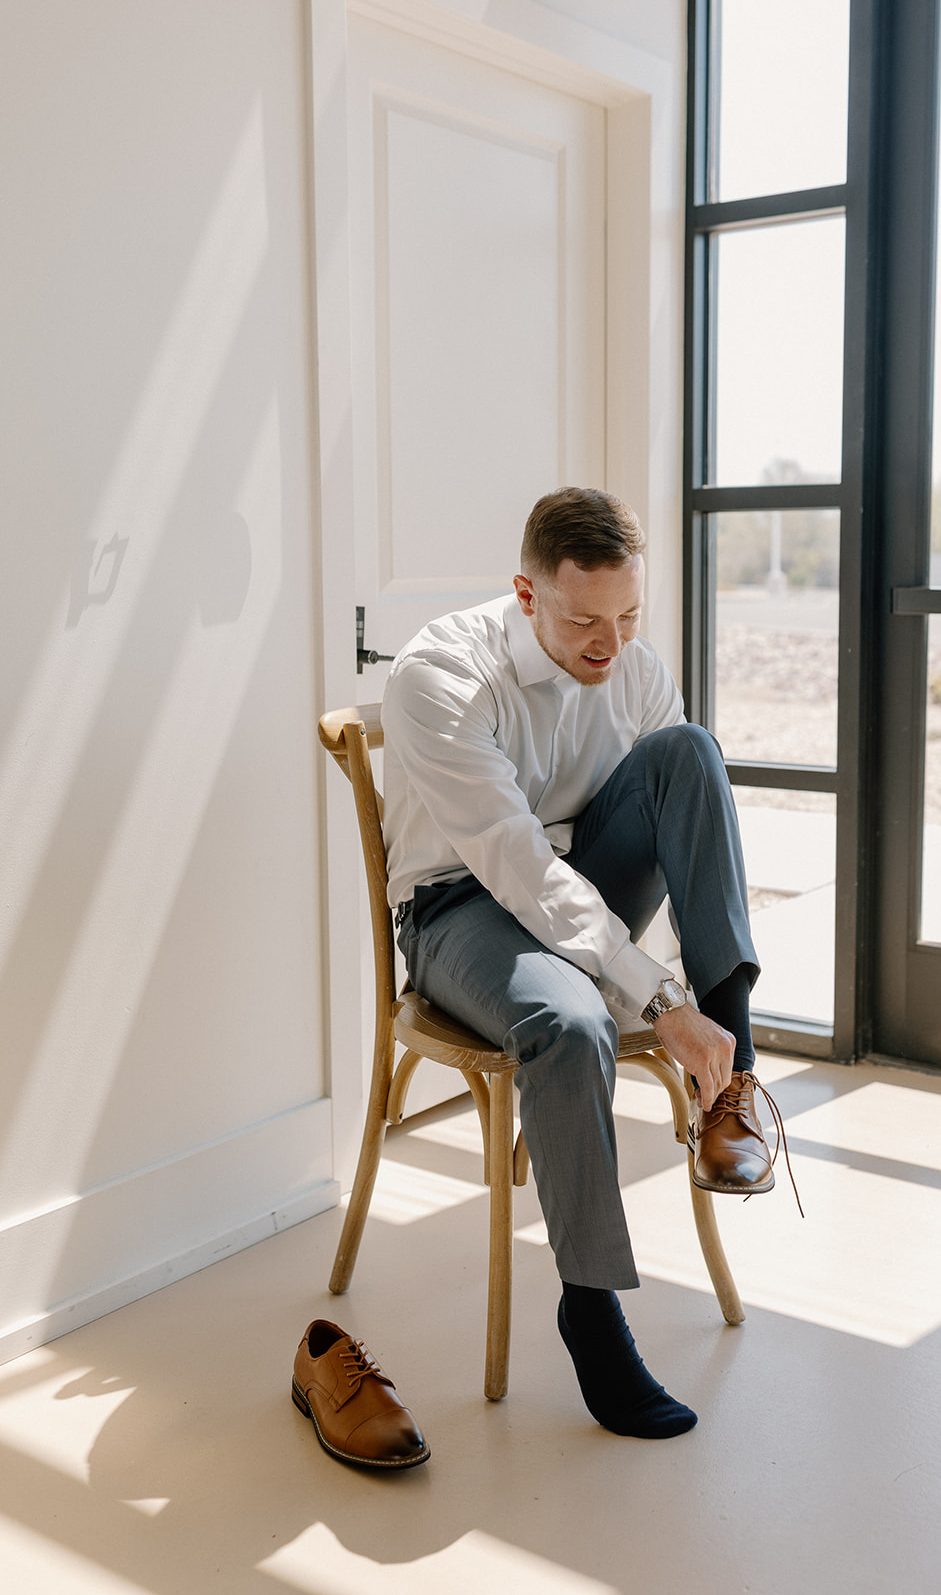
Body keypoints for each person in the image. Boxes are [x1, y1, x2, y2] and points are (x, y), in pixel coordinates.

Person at [382, 486, 775, 1441]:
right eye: (585, 620)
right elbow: (514, 865)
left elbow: (687, 844)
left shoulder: (633, 669)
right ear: (525, 593)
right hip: (458, 907)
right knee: (569, 1022)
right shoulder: (440, 675)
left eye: (629, 615)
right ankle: (590, 1310)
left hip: (579, 884)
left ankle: (737, 1081)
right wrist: (650, 994)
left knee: (686, 751)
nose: (612, 643)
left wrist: (686, 998)